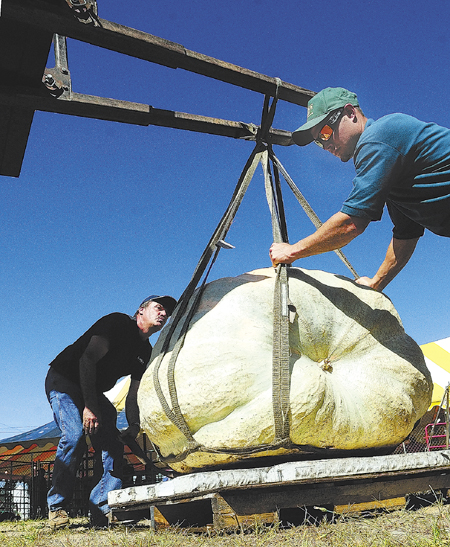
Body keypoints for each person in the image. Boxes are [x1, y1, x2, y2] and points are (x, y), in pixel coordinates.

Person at [269, 87, 450, 291]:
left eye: (326, 132)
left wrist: (292, 251)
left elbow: (351, 223)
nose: (325, 145)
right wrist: (376, 283)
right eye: (318, 142)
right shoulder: (391, 166)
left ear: (350, 113)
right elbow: (406, 234)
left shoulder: (378, 138)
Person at [45, 294, 177, 529]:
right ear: (140, 310)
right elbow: (87, 360)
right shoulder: (117, 324)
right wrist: (89, 406)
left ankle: (102, 510)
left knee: (113, 445)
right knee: (74, 437)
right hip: (64, 379)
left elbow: (133, 394)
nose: (163, 314)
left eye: (166, 312)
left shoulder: (145, 352)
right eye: (158, 308)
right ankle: (57, 508)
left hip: (92, 390)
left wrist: (134, 425)